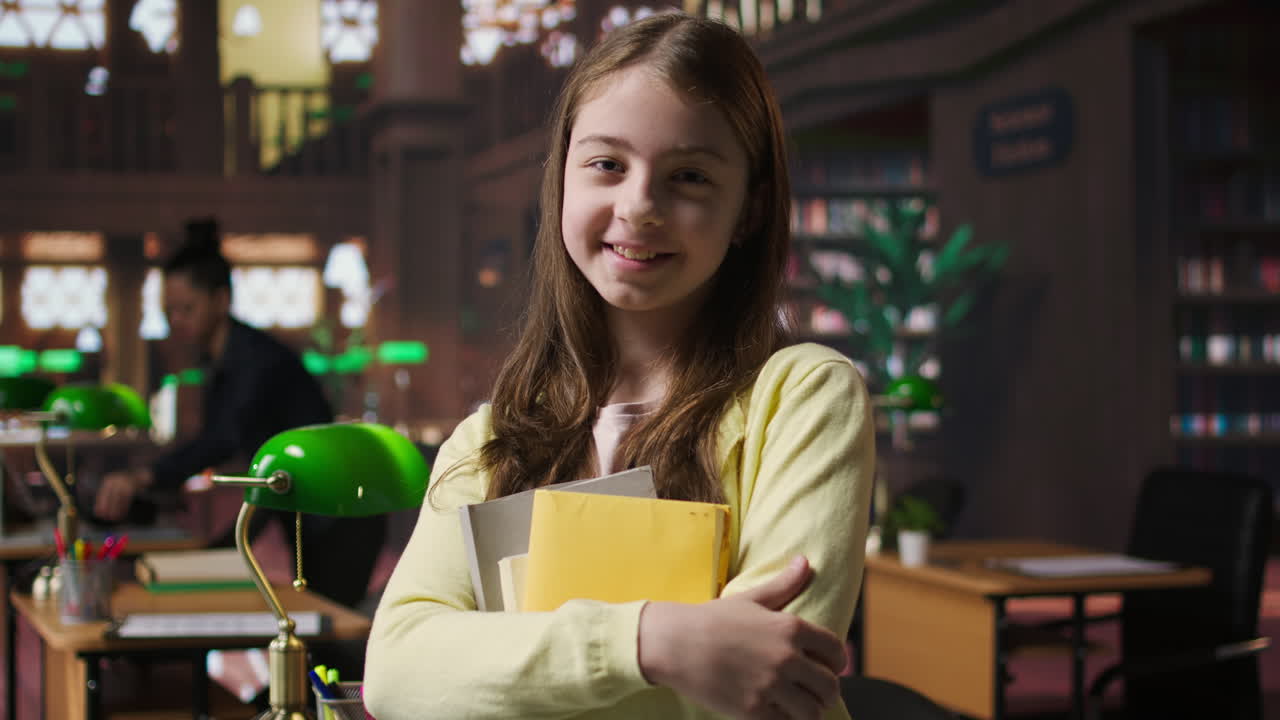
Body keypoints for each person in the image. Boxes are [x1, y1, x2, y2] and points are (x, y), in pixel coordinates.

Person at [364, 13, 873, 720]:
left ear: (749, 210)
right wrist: (651, 640)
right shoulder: (489, 439)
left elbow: (765, 690)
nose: (639, 206)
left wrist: (498, 665)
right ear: (564, 176)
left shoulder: (805, 398)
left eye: (689, 176)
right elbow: (397, 675)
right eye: (607, 164)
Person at [93, 218, 387, 609]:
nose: (175, 321)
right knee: (311, 632)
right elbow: (253, 467)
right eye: (170, 311)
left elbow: (224, 437)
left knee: (326, 634)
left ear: (221, 301)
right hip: (310, 514)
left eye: (186, 309)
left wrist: (144, 476)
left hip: (344, 515)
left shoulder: (254, 359)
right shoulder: (223, 360)